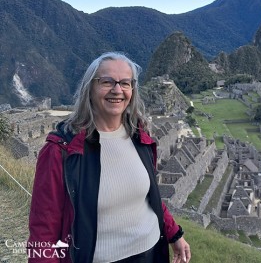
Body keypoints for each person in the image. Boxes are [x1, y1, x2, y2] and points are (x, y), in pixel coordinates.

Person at [28, 52, 191, 263]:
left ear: (132, 89)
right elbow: (43, 230)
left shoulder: (140, 137)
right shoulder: (62, 150)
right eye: (107, 82)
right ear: (90, 88)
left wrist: (174, 233)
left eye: (125, 83)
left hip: (152, 252)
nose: (117, 90)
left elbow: (150, 196)